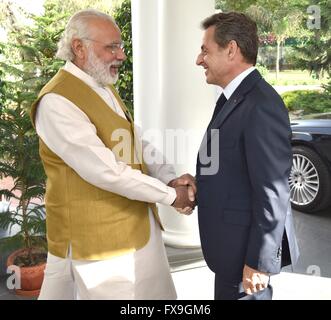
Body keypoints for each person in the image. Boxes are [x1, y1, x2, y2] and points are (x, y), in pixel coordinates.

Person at [30, 9, 195, 300]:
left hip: (136, 232)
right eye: (111, 47)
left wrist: (169, 179)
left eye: (120, 46)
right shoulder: (56, 100)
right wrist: (172, 196)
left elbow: (134, 139)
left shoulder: (98, 82)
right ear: (79, 47)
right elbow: (104, 171)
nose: (121, 55)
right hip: (99, 245)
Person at [195, 12, 299, 300]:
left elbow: (273, 192)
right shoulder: (234, 98)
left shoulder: (260, 105)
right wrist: (197, 185)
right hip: (230, 256)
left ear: (231, 50)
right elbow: (235, 170)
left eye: (205, 50)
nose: (198, 59)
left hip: (245, 260)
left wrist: (258, 262)